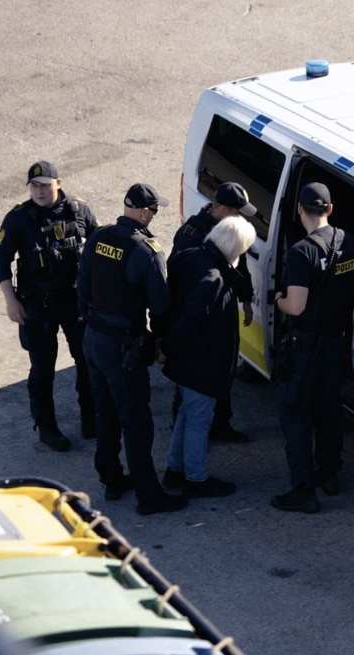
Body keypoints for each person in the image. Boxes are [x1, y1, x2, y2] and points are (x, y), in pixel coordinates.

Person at [80, 183, 187, 515]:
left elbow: (82, 285)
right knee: (137, 422)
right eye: (153, 212)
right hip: (124, 346)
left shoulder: (99, 238)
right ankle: (148, 495)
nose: (153, 217)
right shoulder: (146, 250)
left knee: (105, 411)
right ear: (143, 212)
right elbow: (160, 306)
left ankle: (111, 478)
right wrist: (160, 343)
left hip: (93, 338)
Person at [0, 160, 98, 452]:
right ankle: (47, 428)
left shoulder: (79, 211)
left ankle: (91, 419)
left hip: (76, 300)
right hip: (37, 305)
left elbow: (97, 250)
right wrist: (10, 300)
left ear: (58, 184)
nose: (39, 192)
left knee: (88, 362)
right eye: (34, 186)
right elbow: (1, 259)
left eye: (45, 185)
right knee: (42, 368)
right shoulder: (18, 218)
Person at [270, 182, 354, 513]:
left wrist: (278, 300)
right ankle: (330, 474)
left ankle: (303, 491)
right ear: (330, 210)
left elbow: (296, 306)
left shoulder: (300, 252)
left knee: (294, 414)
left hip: (306, 345)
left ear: (300, 211)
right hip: (336, 341)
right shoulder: (347, 241)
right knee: (328, 409)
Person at [162, 216, 257, 498]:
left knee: (186, 414)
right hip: (201, 361)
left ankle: (174, 469)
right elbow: (192, 320)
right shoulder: (212, 279)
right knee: (199, 419)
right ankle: (196, 478)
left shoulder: (191, 257)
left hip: (184, 360)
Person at [170, 181, 257, 444]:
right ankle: (185, 431)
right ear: (220, 208)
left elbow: (241, 267)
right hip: (198, 310)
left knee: (222, 367)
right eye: (235, 211)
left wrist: (246, 298)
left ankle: (221, 423)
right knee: (190, 378)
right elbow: (179, 277)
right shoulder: (191, 234)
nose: (238, 217)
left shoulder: (229, 227)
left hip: (222, 306)